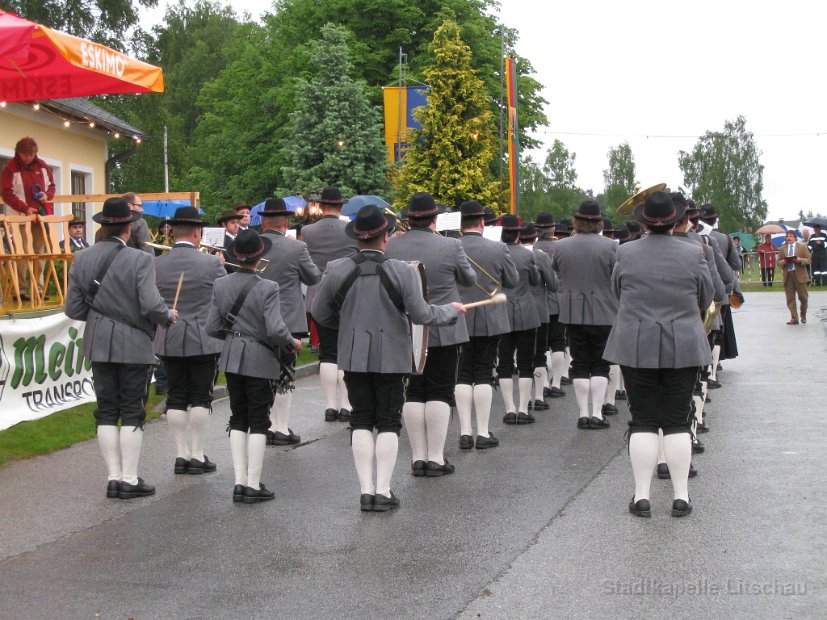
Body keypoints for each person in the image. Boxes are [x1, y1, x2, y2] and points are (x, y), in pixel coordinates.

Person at [311, 204, 465, 512]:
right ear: (386, 237)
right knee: (388, 422)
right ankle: (383, 490)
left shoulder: (337, 268)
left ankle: (366, 491)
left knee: (361, 420)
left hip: (353, 355)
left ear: (357, 238)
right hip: (392, 355)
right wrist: (450, 311)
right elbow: (421, 314)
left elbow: (319, 313)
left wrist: (349, 325)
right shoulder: (403, 271)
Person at [604, 191, 713, 518]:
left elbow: (617, 292)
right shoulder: (695, 253)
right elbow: (705, 296)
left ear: (645, 222)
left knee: (644, 420)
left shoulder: (625, 252)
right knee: (678, 421)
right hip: (683, 340)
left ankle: (642, 497)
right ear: (676, 219)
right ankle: (681, 496)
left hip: (637, 342)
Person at [64, 197, 179, 500]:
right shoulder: (140, 259)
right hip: (133, 343)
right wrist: (168, 316)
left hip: (98, 341)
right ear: (129, 227)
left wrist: (102, 313)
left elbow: (74, 309)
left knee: (106, 410)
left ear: (102, 226)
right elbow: (151, 305)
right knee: (131, 409)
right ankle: (129, 477)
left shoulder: (81, 258)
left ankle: (114, 478)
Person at [206, 229, 302, 504]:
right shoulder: (268, 287)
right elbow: (274, 328)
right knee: (259, 420)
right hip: (260, 357)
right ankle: (253, 483)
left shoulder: (221, 284)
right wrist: (292, 342)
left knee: (238, 417)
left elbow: (212, 327)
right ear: (260, 256)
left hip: (233, 355)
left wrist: (236, 336)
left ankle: (239, 483)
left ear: (236, 255)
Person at [386, 192, 476, 477]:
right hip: (444, 327)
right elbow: (469, 279)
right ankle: (435, 458)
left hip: (406, 326)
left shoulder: (392, 247)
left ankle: (417, 458)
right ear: (434, 219)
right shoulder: (451, 246)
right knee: (439, 390)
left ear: (408, 219)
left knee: (414, 390)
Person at [154, 206, 227, 475]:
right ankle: (197, 454)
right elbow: (226, 297)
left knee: (176, 395)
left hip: (170, 334)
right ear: (197, 232)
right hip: (203, 338)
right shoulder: (211, 263)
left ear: (172, 232)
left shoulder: (156, 263)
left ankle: (180, 454)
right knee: (200, 396)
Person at [454, 200, 518, 449]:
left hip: (458, 316)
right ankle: (482, 433)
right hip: (491, 317)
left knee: (462, 372)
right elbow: (512, 281)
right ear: (482, 223)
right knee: (483, 371)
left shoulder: (451, 246)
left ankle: (464, 432)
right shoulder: (499, 248)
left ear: (461, 224)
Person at [258, 198, 321, 445]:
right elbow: (313, 276)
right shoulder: (295, 248)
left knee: (262, 372)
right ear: (285, 222)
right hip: (287, 317)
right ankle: (280, 427)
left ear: (263, 222)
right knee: (284, 372)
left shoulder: (254, 245)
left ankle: (263, 423)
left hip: (257, 317)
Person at [551, 201, 618, 430]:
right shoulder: (611, 247)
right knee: (600, 364)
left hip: (573, 310)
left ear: (576, 222)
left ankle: (582, 413)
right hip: (604, 311)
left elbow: (557, 270)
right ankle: (597, 414)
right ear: (599, 222)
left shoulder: (561, 246)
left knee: (580, 364)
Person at [303, 186, 359, 422]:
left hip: (318, 293)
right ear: (341, 206)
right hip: (348, 294)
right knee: (347, 350)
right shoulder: (351, 230)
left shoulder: (307, 231)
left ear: (320, 206)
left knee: (327, 352)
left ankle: (330, 405)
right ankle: (347, 404)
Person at [496, 214, 541, 425]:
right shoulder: (526, 255)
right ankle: (523, 408)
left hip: (501, 311)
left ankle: (509, 409)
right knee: (526, 362)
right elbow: (535, 280)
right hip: (526, 311)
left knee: (504, 363)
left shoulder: (495, 252)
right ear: (518, 234)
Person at [2, 136, 56, 297]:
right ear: (18, 153)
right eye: (25, 154)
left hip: (40, 217)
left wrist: (46, 195)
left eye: (31, 154)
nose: (28, 157)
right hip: (20, 217)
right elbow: (7, 194)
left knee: (39, 253)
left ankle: (37, 289)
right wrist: (25, 208)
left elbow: (52, 186)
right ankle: (21, 290)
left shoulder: (42, 166)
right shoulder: (10, 168)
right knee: (22, 252)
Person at [534, 213, 567, 398]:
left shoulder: (532, 248)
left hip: (538, 302)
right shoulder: (560, 247)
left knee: (541, 345)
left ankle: (544, 383)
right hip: (557, 299)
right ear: (553, 229)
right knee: (558, 343)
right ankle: (557, 382)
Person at [778, 229, 810, 324]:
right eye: (787, 236)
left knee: (803, 297)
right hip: (788, 275)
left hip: (800, 274)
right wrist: (783, 262)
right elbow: (778, 261)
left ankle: (803, 315)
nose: (788, 238)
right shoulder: (782, 248)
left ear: (795, 238)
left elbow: (808, 259)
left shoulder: (802, 247)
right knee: (790, 299)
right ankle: (794, 318)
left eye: (791, 236)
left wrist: (800, 260)